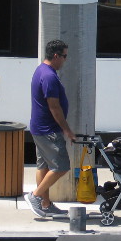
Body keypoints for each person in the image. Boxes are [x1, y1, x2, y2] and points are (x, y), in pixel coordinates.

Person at [24, 40, 76, 217]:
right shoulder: (49, 76)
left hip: (39, 128)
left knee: (44, 167)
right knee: (61, 166)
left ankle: (45, 204)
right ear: (56, 56)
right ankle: (35, 196)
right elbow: (54, 107)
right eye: (64, 56)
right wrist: (67, 130)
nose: (65, 60)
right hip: (49, 130)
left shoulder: (41, 70)